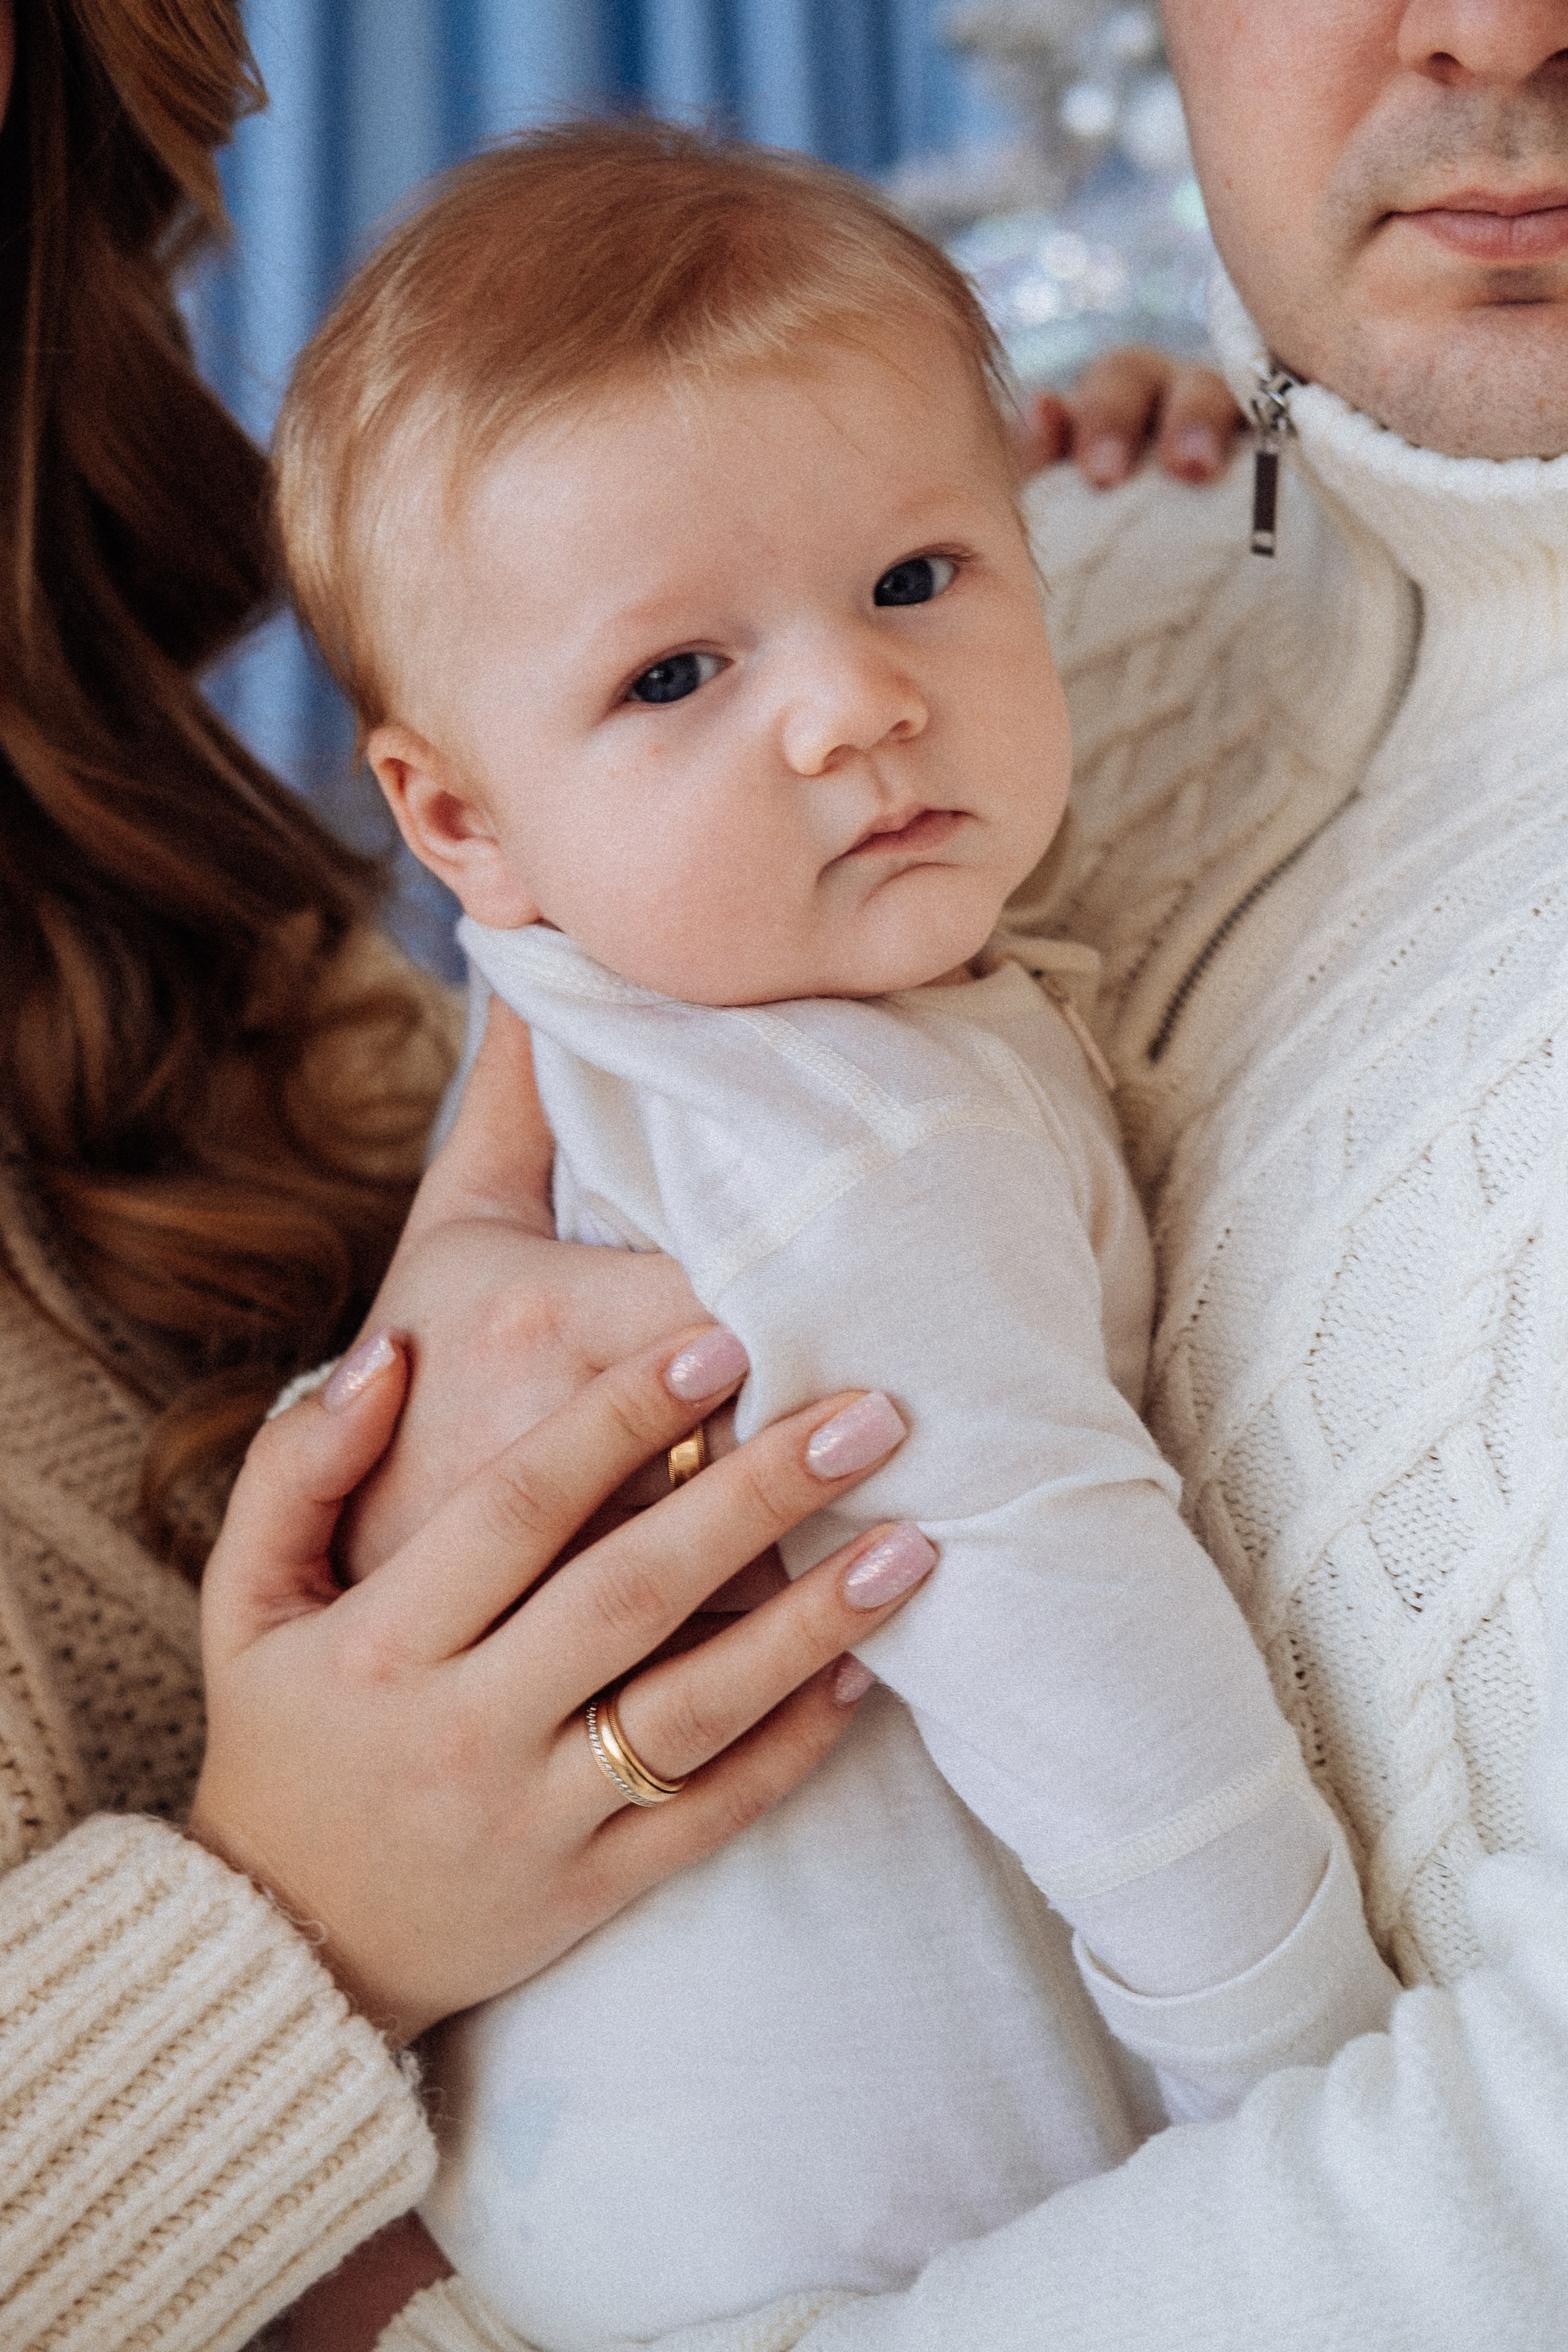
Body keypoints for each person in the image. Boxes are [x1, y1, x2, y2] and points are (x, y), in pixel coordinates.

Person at [344, 6, 1568, 2350]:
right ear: (456, 821)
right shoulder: (1098, 629)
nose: (852, 709)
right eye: (681, 672)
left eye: (915, 588)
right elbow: (1058, 1620)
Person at [0, 6, 1219, 2346]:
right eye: (673, 670)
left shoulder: (214, 946)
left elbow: (794, 937)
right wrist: (289, 1920)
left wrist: (1040, 539)